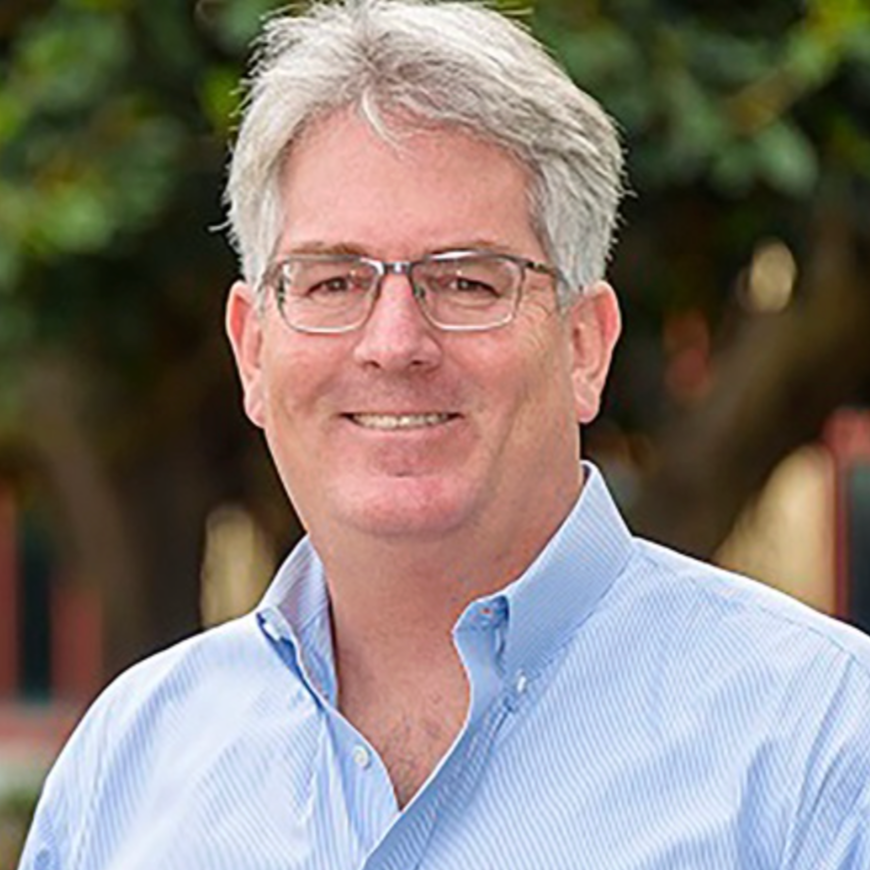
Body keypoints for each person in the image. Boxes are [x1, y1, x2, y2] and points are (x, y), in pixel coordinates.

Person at [19, 0, 870, 867]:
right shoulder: (125, 769)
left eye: (467, 282)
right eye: (332, 282)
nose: (394, 345)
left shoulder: (825, 750)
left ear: (584, 346)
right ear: (252, 350)